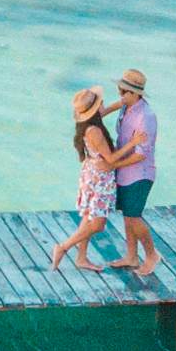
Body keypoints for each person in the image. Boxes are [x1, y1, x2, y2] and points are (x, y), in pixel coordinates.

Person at [48, 90, 121, 270]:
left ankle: (81, 258)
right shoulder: (95, 131)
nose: (103, 104)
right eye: (100, 102)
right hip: (100, 178)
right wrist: (133, 144)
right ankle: (63, 247)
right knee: (97, 224)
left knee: (89, 217)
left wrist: (119, 104)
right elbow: (111, 159)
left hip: (91, 172)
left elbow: (102, 113)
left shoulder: (87, 124)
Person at [103, 70, 160, 274]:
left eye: (125, 92)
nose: (121, 95)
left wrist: (114, 165)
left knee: (134, 217)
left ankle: (152, 254)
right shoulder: (127, 106)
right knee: (127, 217)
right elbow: (108, 110)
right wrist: (109, 108)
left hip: (139, 174)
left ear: (137, 94)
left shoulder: (146, 117)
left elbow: (141, 154)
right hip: (125, 174)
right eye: (120, 91)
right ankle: (131, 256)